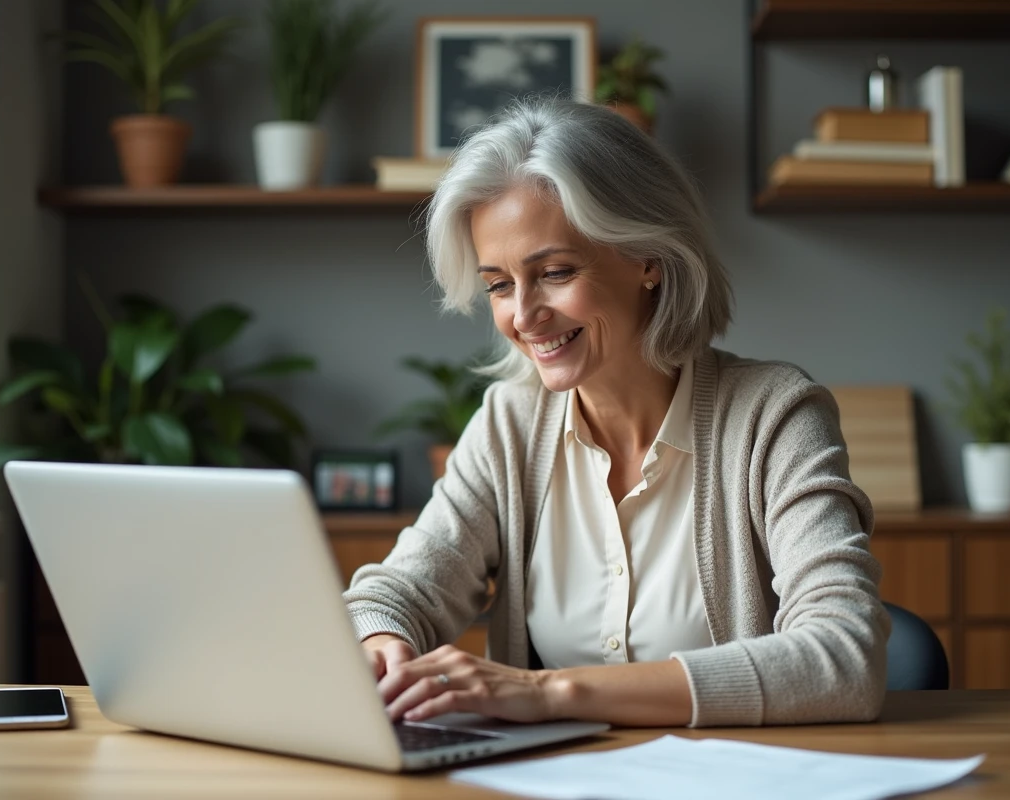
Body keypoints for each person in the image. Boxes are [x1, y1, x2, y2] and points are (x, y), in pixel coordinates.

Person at [344, 97, 889, 729]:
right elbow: (394, 594)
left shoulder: (774, 417)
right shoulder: (509, 425)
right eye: (498, 284)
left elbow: (844, 659)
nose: (522, 315)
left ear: (648, 259)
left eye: (554, 272)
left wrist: (549, 694)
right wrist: (380, 643)